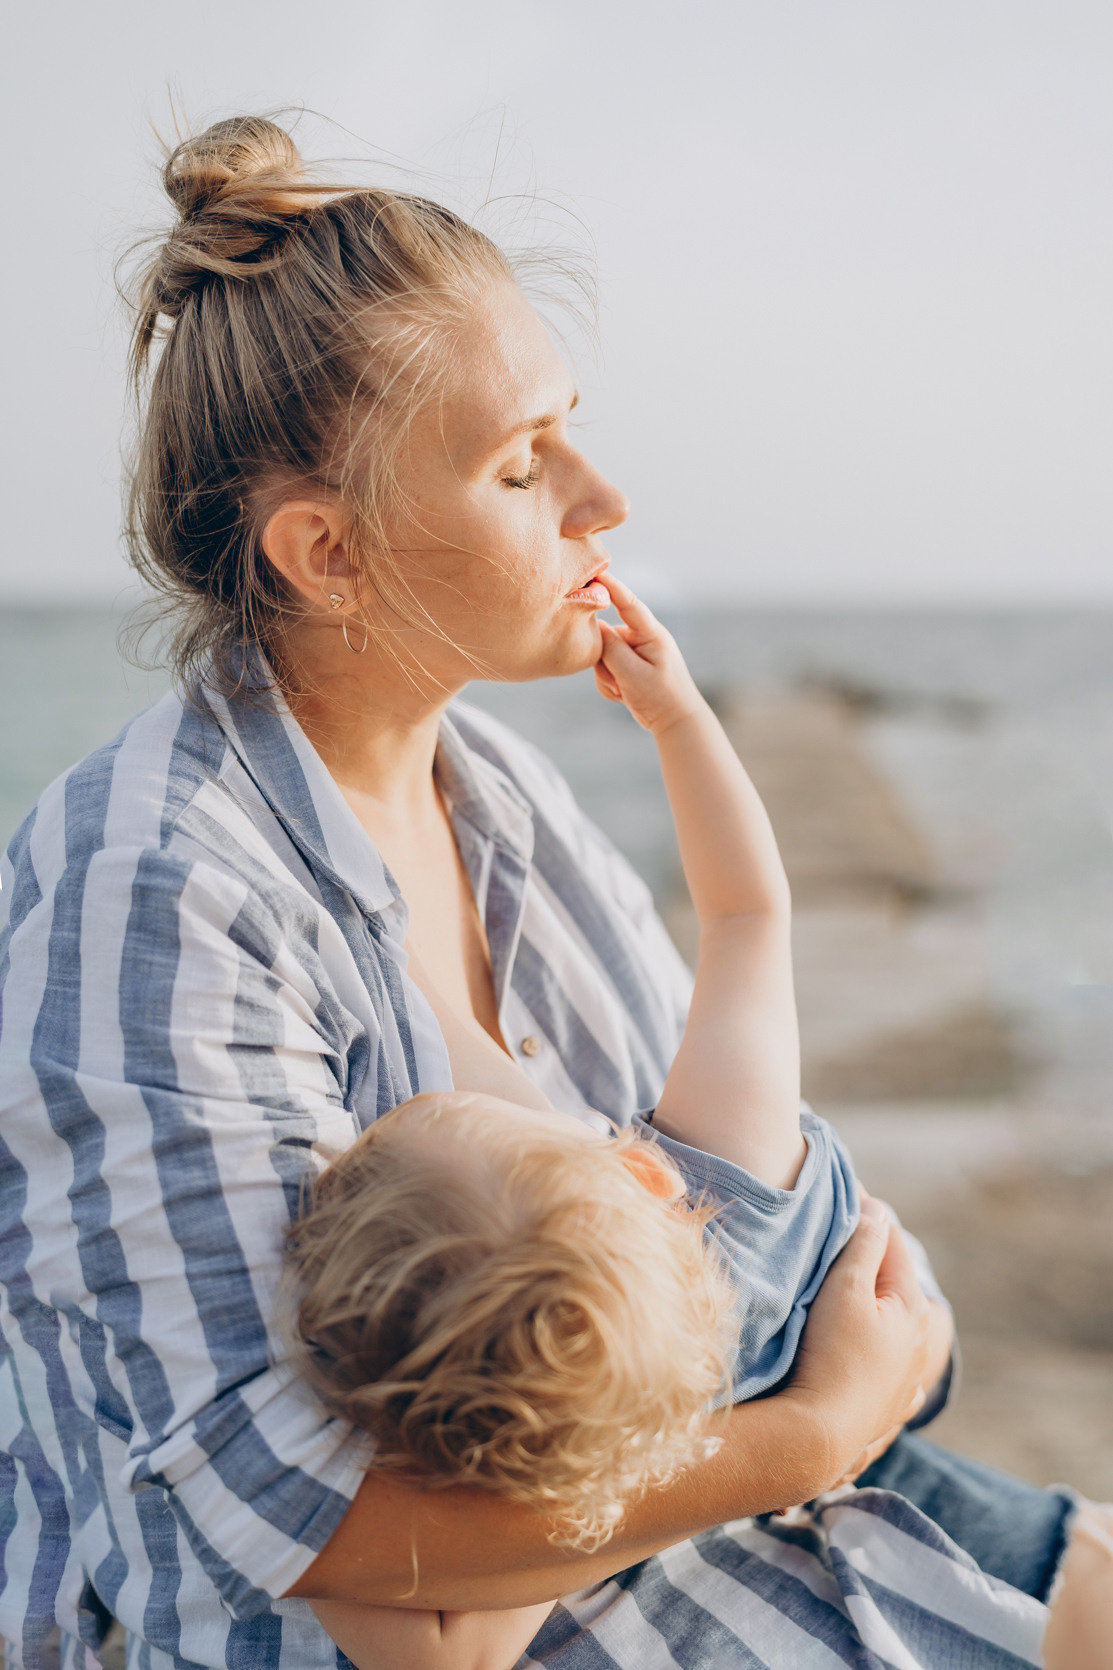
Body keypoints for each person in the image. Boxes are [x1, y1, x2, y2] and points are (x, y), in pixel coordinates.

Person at [0, 114, 1105, 1669]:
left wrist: (847, 1396)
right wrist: (809, 1433)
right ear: (327, 552)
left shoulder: (505, 796)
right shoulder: (156, 892)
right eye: (522, 465)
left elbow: (736, 1231)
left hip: (716, 1512)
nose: (601, 496)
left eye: (568, 430)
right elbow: (268, 1517)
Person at [284, 574, 1058, 1670]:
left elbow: (432, 1644)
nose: (453, 1085)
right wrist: (681, 719)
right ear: (640, 1173)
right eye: (476, 1113)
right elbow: (747, 912)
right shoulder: (732, 1181)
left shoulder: (562, 1469)